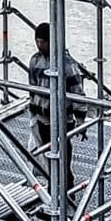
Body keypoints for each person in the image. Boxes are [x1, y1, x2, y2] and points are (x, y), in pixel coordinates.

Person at [28, 19, 84, 164]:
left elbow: (78, 93)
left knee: (63, 156)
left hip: (62, 119)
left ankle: (66, 184)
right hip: (42, 117)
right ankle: (52, 184)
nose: (40, 45)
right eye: (38, 42)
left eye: (43, 42)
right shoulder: (35, 61)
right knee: (48, 157)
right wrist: (33, 112)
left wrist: (80, 121)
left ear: (51, 41)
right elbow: (32, 88)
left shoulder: (66, 64)